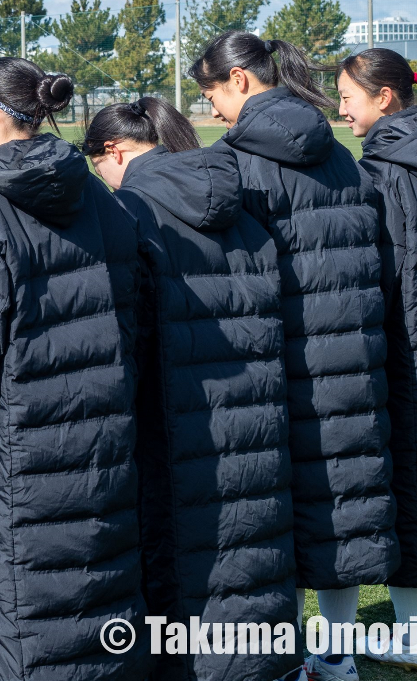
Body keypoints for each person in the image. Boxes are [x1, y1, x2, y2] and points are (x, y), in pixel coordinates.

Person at [0, 57, 148, 681]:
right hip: (103, 450)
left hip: (15, 466)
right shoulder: (103, 199)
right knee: (99, 615)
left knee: (18, 624)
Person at [191, 31, 397, 681]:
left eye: (212, 93)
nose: (212, 108)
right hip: (354, 358)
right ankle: (337, 656)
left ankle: (289, 654)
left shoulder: (237, 161)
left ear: (241, 81)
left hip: (277, 361)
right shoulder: (340, 156)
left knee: (272, 510)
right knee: (342, 503)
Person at [84, 97, 300, 681]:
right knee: (254, 543)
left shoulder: (133, 209)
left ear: (116, 152)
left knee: (185, 556)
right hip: (257, 414)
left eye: (98, 168)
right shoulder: (245, 205)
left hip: (177, 418)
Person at [337, 49, 417, 672]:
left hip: (412, 352)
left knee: (414, 487)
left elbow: (378, 271)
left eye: (348, 97)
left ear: (384, 98)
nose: (341, 109)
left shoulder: (384, 171)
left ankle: (412, 633)